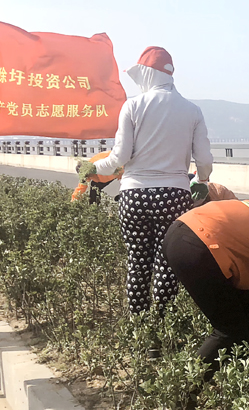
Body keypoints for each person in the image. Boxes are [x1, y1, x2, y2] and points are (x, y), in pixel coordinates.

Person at [90, 46, 213, 318]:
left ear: (147, 74)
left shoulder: (133, 106)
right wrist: (202, 180)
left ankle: (139, 325)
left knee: (137, 262)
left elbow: (119, 158)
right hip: (174, 196)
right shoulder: (192, 111)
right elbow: (204, 159)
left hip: (134, 195)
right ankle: (162, 324)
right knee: (167, 263)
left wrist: (92, 168)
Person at [163, 197, 249, 383]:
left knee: (247, 329)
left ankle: (236, 384)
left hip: (186, 231)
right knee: (230, 329)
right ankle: (185, 391)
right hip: (200, 244)